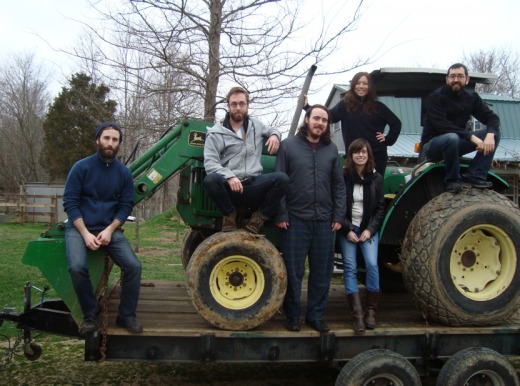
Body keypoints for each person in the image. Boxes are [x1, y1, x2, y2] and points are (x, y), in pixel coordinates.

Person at [63, 122, 143, 334]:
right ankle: (90, 314)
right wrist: (85, 234)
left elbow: (126, 205)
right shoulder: (81, 167)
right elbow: (70, 203)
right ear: (97, 140)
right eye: (106, 138)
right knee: (77, 267)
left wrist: (110, 230)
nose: (110, 143)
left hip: (109, 229)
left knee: (133, 267)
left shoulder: (123, 173)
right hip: (79, 228)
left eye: (115, 140)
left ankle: (126, 316)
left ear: (118, 144)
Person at [275, 104, 346, 333]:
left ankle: (315, 316)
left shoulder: (331, 150)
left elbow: (338, 185)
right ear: (307, 120)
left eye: (324, 120)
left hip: (325, 221)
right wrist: (282, 212)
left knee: (322, 272)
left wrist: (338, 215)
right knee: (294, 272)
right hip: (295, 219)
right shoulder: (288, 146)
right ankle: (293, 316)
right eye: (316, 118)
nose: (320, 123)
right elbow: (279, 181)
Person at [204, 86, 290, 233]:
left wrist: (275, 135)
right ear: (228, 106)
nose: (238, 108)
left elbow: (272, 130)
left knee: (282, 179)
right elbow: (210, 163)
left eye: (242, 104)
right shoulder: (215, 133)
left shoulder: (256, 126)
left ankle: (258, 219)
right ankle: (229, 215)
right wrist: (229, 176)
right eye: (234, 104)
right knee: (210, 180)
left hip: (252, 186)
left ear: (247, 105)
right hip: (229, 189)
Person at [421, 63, 501, 193]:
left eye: (460, 76)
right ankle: (452, 180)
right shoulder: (435, 98)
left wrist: (490, 135)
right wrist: (472, 137)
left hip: (457, 143)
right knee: (452, 138)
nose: (456, 79)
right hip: (433, 146)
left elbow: (492, 118)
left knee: (495, 132)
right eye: (452, 76)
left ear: (467, 79)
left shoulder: (471, 98)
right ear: (447, 79)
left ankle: (475, 174)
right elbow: (442, 125)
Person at [305, 72, 401, 176]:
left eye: (365, 83)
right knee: (352, 188)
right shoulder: (345, 105)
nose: (361, 86)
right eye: (358, 83)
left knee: (374, 188)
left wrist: (388, 139)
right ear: (353, 85)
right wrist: (307, 107)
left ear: (370, 87)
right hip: (353, 155)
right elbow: (329, 116)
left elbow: (396, 123)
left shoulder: (379, 107)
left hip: (376, 155)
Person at [337, 139, 385, 334]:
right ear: (351, 155)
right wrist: (347, 229)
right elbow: (338, 204)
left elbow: (380, 208)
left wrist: (369, 230)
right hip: (348, 228)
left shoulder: (376, 178)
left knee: (372, 264)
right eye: (356, 152)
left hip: (367, 229)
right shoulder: (343, 176)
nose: (360, 155)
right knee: (350, 267)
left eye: (364, 152)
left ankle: (371, 312)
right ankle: (357, 315)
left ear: (368, 155)